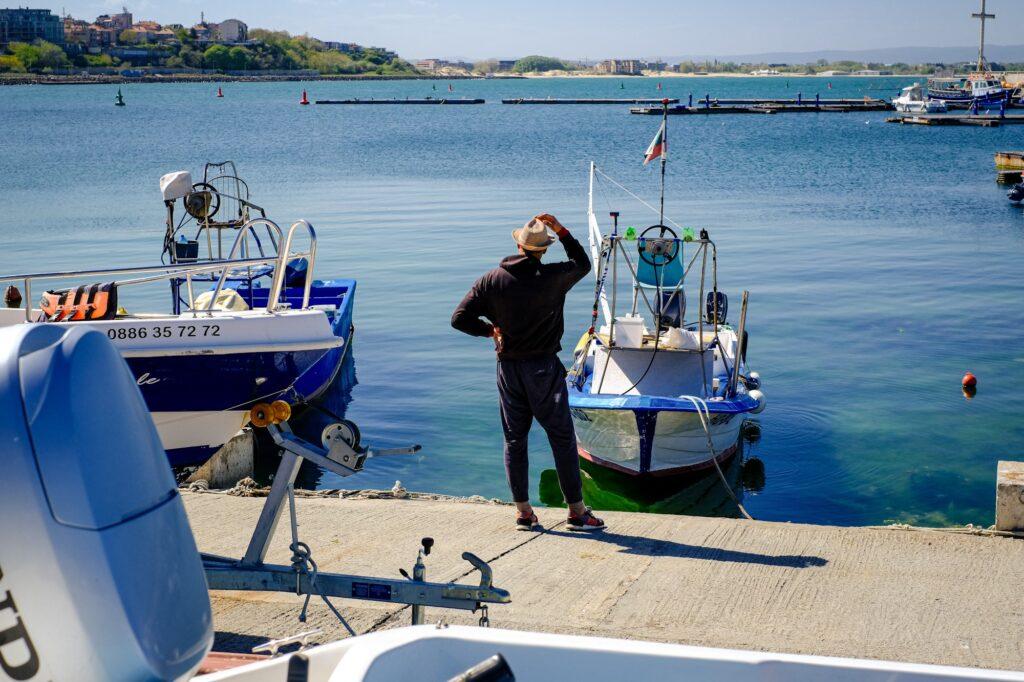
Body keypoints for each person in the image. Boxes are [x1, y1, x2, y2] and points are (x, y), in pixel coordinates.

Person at [451, 214, 606, 532]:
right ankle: (576, 512)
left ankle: (524, 513)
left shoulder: (491, 280)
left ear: (517, 244)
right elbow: (583, 263)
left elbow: (459, 318)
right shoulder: (554, 276)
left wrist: (489, 331)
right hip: (543, 369)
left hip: (507, 369)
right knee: (562, 439)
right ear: (543, 249)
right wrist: (562, 230)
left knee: (514, 440)